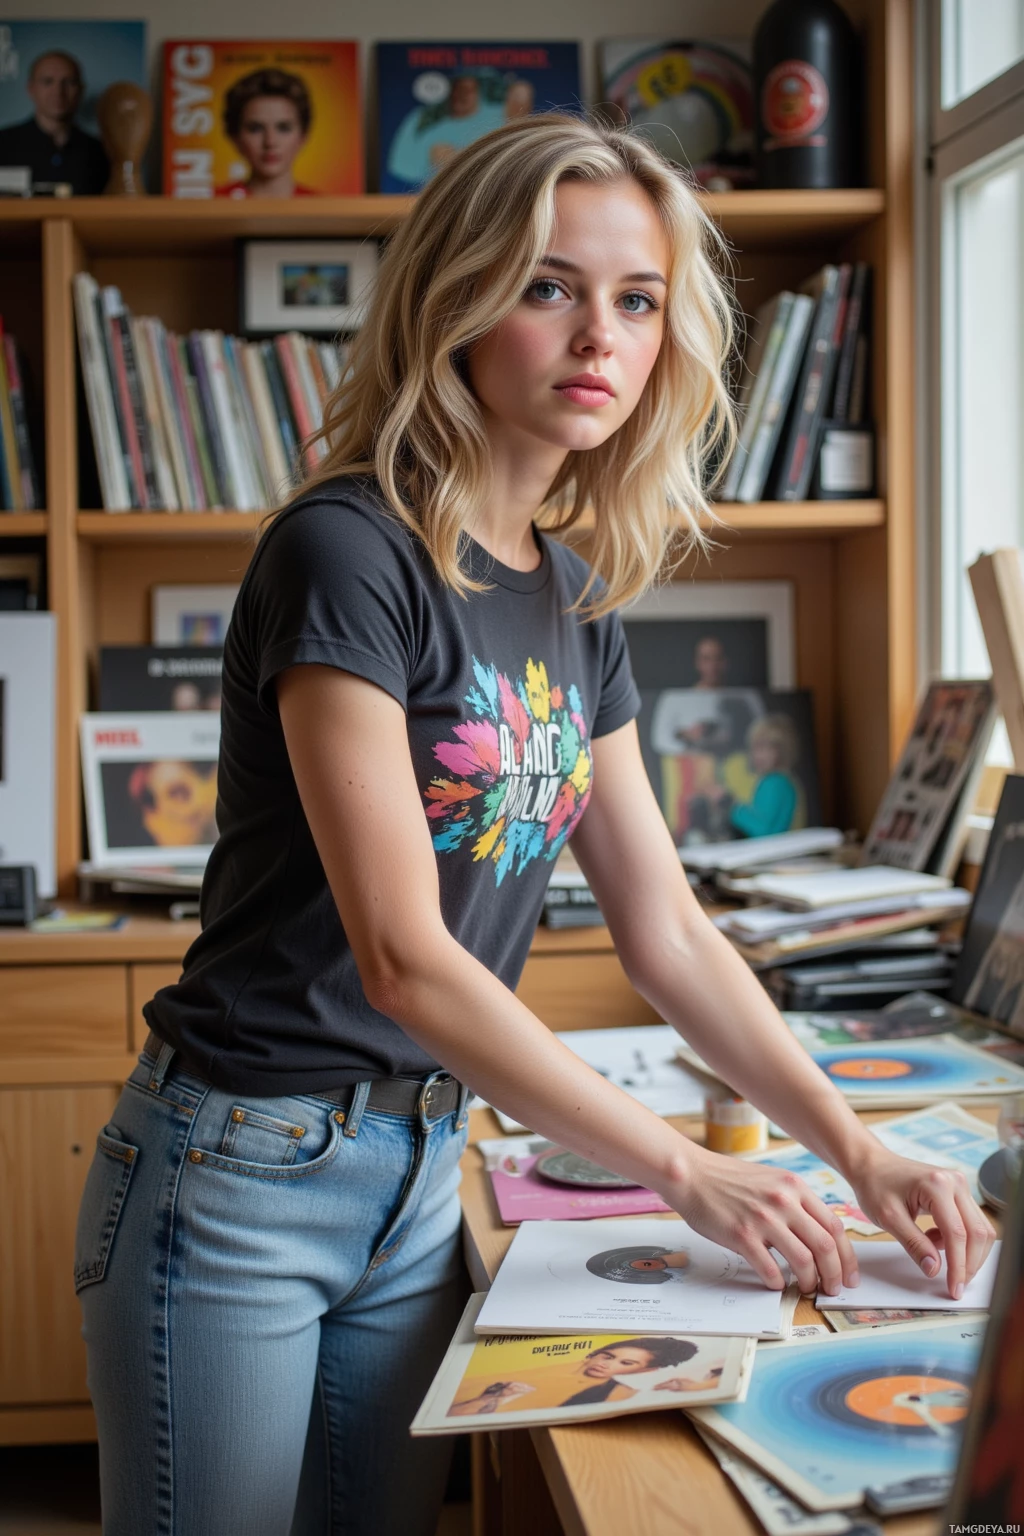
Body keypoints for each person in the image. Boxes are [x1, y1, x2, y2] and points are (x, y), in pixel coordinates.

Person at [74, 113, 995, 1536]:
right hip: (246, 1170)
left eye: (636, 301)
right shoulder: (347, 552)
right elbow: (406, 959)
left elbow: (668, 933)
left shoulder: (574, 596)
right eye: (549, 284)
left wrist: (856, 1147)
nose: (599, 337)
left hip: (425, 1168)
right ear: (456, 298)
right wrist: (683, 1171)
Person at [0, 50, 109, 194]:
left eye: (68, 82)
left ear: (80, 90)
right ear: (31, 88)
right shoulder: (3, 145)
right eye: (48, 81)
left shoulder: (102, 153)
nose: (58, 92)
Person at [217, 67, 316, 198]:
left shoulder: (327, 210)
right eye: (255, 129)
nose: (270, 142)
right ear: (235, 136)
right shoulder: (207, 207)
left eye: (283, 128)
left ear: (303, 136)